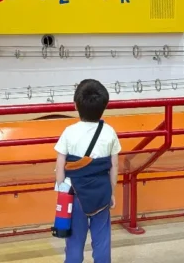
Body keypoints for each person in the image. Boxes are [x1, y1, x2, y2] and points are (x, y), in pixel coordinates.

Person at [55, 79, 121, 263]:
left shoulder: (69, 132)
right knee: (102, 240)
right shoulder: (109, 132)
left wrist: (62, 193)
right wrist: (112, 192)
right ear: (104, 106)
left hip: (75, 195)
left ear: (76, 105)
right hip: (101, 193)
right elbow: (114, 166)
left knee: (74, 241)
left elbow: (60, 167)